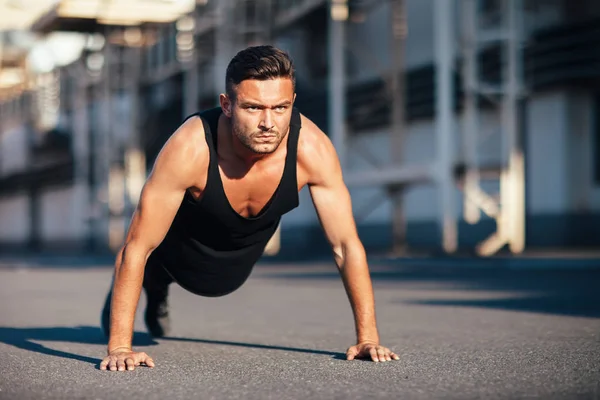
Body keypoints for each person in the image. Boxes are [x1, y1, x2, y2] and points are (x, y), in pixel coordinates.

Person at [99, 45, 399, 372]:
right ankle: (152, 290)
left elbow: (345, 244)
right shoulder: (190, 147)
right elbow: (137, 246)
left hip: (237, 260)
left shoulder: (311, 149)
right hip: (179, 247)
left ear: (293, 102)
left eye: (280, 107)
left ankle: (154, 288)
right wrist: (120, 346)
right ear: (226, 105)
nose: (268, 122)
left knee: (220, 283)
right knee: (151, 259)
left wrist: (368, 338)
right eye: (254, 108)